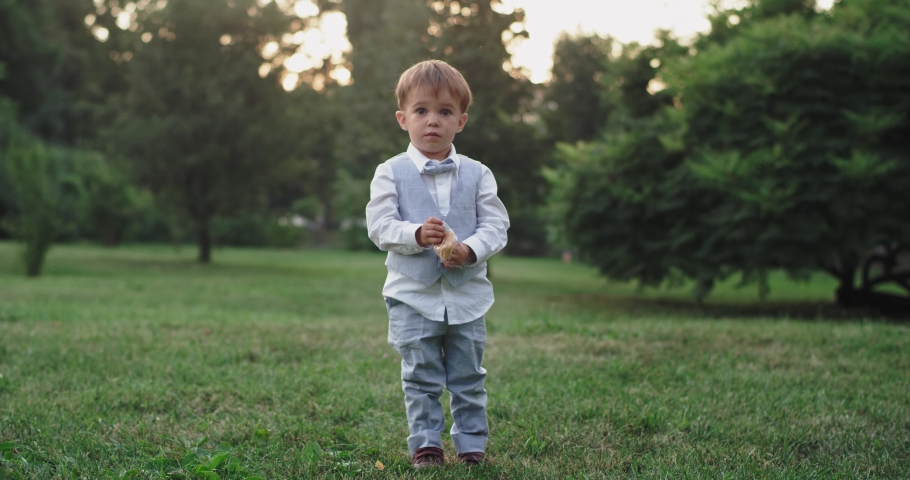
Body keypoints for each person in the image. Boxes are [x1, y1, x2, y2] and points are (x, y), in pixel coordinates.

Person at [365, 59, 509, 468]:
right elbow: (379, 226)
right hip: (412, 296)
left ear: (461, 121)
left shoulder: (479, 174)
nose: (433, 121)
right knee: (421, 374)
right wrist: (414, 234)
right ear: (402, 118)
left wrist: (471, 249)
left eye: (445, 112)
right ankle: (426, 444)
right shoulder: (389, 172)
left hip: (467, 298)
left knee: (468, 376)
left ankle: (471, 446)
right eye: (422, 111)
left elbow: (496, 225)